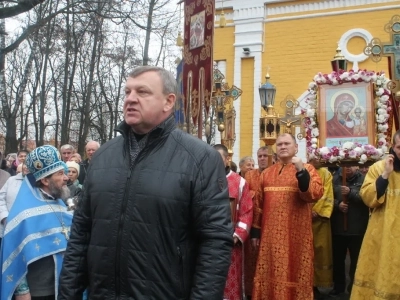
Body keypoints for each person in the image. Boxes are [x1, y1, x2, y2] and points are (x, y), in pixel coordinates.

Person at [58, 65, 233, 299]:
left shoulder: (199, 158)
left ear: (168, 102)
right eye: (127, 92)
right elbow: (81, 233)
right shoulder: (103, 156)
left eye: (142, 92)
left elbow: (215, 243)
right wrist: (68, 294)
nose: (130, 99)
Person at [251, 133, 323, 300]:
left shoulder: (308, 169)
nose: (282, 146)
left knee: (295, 271)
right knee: (269, 271)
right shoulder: (266, 174)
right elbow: (259, 206)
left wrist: (301, 171)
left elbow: (314, 194)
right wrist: (255, 232)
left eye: (287, 143)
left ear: (296, 147)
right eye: (280, 144)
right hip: (270, 237)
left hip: (296, 235)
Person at [0, 145, 72, 300]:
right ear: (45, 180)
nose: (66, 177)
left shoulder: (60, 204)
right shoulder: (24, 213)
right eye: (60, 173)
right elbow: (14, 253)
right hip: (37, 292)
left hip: (62, 287)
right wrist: (22, 291)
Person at [351, 130, 400, 299]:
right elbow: (368, 198)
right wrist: (385, 175)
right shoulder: (378, 168)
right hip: (383, 232)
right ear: (393, 147)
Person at [214, 144, 253, 300]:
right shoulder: (202, 178)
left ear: (227, 159)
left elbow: (246, 212)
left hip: (230, 242)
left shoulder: (240, 182)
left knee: (230, 281)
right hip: (206, 240)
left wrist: (237, 235)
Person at [329, 166, 368, 297]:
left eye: (352, 165)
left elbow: (368, 199)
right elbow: (326, 197)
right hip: (338, 228)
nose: (348, 168)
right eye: (346, 165)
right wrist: (337, 204)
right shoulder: (334, 179)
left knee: (356, 261)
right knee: (338, 261)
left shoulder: (364, 179)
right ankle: (338, 287)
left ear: (357, 165)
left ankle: (354, 288)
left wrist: (351, 192)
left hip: (357, 228)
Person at [243, 146, 268, 299]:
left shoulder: (274, 174)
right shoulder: (250, 176)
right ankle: (252, 292)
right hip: (253, 225)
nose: (262, 158)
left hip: (269, 224)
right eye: (260, 156)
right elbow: (245, 199)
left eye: (265, 155)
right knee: (252, 260)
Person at [310, 166, 334, 299]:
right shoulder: (300, 168)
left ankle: (317, 284)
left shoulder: (325, 173)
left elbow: (327, 194)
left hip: (320, 220)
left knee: (320, 251)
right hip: (301, 219)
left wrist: (316, 211)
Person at [0, 163, 29, 246]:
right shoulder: (11, 180)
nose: (27, 167)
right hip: (6, 225)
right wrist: (4, 217)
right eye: (25, 164)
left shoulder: (39, 184)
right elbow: (1, 199)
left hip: (26, 229)